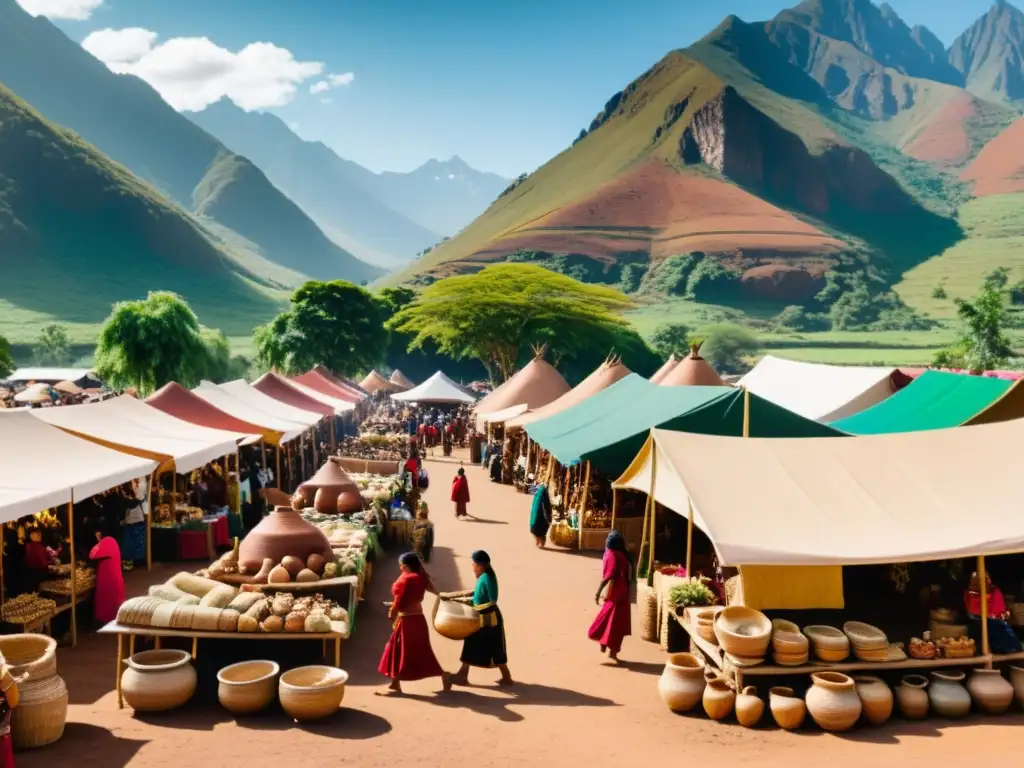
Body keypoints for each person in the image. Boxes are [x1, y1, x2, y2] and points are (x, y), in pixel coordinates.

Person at [378, 553, 450, 694]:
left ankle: (395, 682)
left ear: (405, 566)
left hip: (406, 621)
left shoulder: (406, 579)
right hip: (418, 619)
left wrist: (391, 611)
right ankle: (395, 682)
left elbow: (399, 600)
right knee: (421, 652)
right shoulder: (420, 577)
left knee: (396, 650)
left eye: (401, 565)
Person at [450, 550, 513, 686]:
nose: (472, 566)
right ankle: (463, 674)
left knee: (493, 648)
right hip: (481, 616)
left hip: (489, 618)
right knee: (478, 644)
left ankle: (464, 675)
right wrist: (456, 597)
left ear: (479, 565)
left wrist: (476, 608)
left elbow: (493, 600)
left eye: (473, 563)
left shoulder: (488, 578)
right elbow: (476, 592)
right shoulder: (483, 576)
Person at [588, 530, 633, 662]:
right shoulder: (622, 554)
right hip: (621, 593)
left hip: (615, 593)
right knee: (616, 624)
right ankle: (610, 649)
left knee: (608, 620)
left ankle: (605, 645)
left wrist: (598, 592)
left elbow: (609, 575)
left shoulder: (611, 554)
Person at [89, 520, 126, 626]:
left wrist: (97, 544)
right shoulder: (112, 541)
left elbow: (92, 554)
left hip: (108, 578)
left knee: (106, 601)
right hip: (113, 576)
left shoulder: (106, 542)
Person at [528, 483, 552, 548]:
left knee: (536, 528)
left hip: (537, 514)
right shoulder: (542, 490)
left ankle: (539, 541)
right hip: (538, 514)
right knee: (537, 529)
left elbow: (530, 490)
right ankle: (539, 541)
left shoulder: (541, 489)